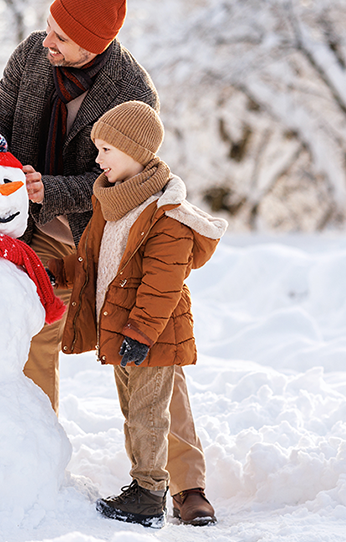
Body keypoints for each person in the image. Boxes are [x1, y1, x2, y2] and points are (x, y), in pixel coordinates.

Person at [0, 0, 217, 524]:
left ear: (94, 43)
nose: (48, 42)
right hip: (36, 228)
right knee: (30, 333)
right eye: (49, 28)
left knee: (157, 355)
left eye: (62, 37)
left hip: (107, 233)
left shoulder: (132, 90)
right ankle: (34, 464)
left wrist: (52, 188)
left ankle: (186, 484)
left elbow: (122, 176)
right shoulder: (31, 54)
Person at [52, 102, 226, 527]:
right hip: (121, 328)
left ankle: (149, 494)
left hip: (151, 334)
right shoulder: (112, 203)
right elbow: (93, 260)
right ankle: (144, 484)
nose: (98, 159)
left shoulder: (168, 214)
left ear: (134, 151)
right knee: (135, 412)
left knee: (149, 415)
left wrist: (141, 332)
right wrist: (57, 270)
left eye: (106, 149)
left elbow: (162, 284)